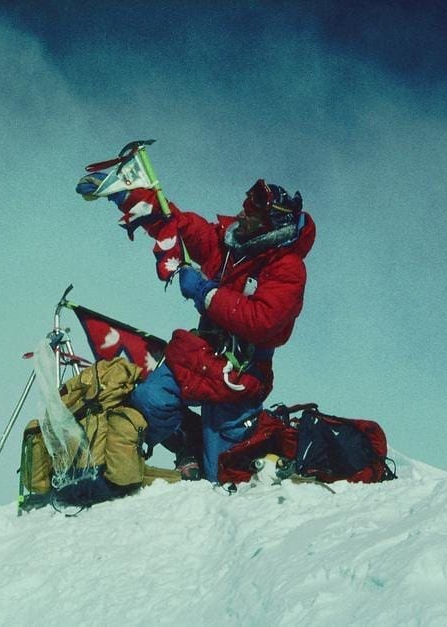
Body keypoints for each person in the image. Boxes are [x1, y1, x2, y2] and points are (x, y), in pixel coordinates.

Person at [76, 175, 316, 483]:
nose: (241, 214)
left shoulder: (286, 267)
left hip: (240, 372)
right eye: (244, 208)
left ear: (269, 224)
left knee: (224, 474)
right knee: (150, 401)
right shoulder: (230, 245)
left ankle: (267, 447)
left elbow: (263, 320)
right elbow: (180, 225)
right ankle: (188, 447)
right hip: (201, 354)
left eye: (251, 213)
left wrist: (206, 293)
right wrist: (130, 196)